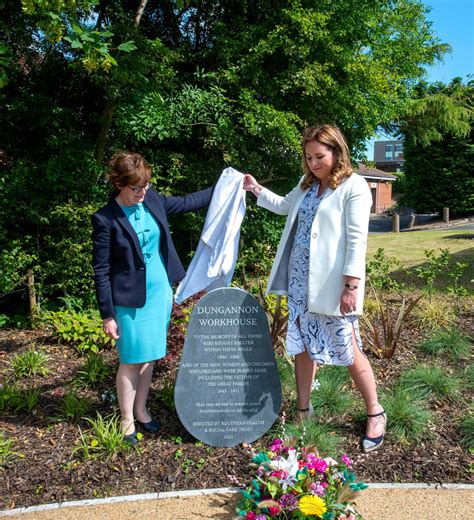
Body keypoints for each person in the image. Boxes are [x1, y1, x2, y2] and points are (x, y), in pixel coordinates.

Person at [243, 125, 386, 453]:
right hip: (299, 283)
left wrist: (351, 285)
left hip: (332, 286)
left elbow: (356, 240)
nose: (313, 163)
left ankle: (376, 412)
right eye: (308, 157)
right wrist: (256, 189)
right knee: (302, 347)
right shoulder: (307, 185)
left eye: (319, 156)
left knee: (348, 349)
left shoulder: (355, 186)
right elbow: (282, 206)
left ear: (337, 152)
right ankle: (303, 413)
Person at [92, 152, 214, 445]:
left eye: (145, 185)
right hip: (129, 300)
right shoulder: (105, 218)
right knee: (131, 359)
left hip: (159, 291)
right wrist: (107, 314)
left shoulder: (153, 199)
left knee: (149, 357)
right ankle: (126, 420)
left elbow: (187, 203)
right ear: (119, 184)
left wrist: (226, 185)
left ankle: (142, 410)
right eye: (136, 187)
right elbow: (101, 269)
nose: (142, 192)